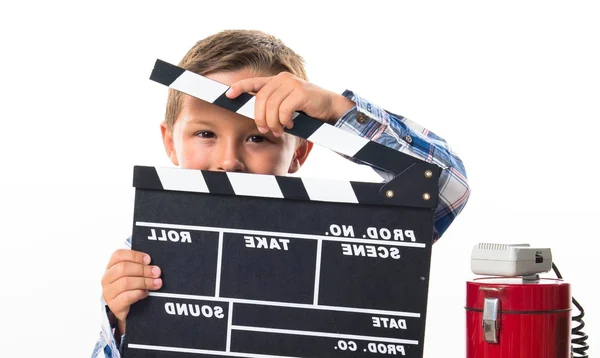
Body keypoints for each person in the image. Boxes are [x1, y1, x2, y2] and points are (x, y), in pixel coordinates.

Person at [91, 29, 471, 357]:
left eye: (257, 137)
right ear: (170, 143)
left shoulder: (347, 233)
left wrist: (336, 111)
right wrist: (126, 325)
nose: (228, 161)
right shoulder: (148, 255)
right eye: (205, 133)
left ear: (299, 152)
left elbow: (447, 188)